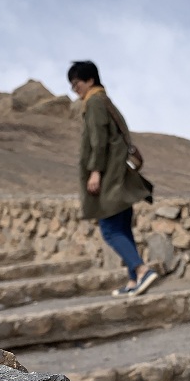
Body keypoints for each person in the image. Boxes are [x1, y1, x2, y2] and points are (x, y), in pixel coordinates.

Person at [68, 60, 159, 296]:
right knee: (122, 227)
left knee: (109, 229)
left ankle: (141, 270)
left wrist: (95, 171)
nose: (74, 89)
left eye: (76, 83)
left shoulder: (95, 103)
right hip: (117, 174)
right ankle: (133, 281)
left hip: (108, 175)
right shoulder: (104, 101)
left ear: (90, 80)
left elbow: (98, 140)